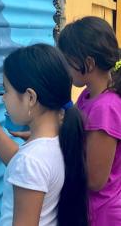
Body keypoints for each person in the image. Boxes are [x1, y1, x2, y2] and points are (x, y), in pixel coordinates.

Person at [0, 44, 88, 226]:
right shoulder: (58, 141)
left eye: (6, 90)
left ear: (30, 97)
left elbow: (25, 166)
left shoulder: (30, 161)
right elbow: (18, 162)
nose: (2, 98)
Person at [57, 16, 121, 225]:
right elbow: (75, 132)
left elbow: (95, 180)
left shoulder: (105, 108)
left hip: (101, 215)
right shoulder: (88, 95)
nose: (65, 68)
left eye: (68, 61)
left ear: (89, 63)